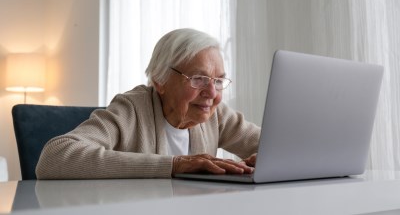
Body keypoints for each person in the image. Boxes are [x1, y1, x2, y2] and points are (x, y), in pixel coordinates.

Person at [36, 28, 261, 179]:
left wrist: (265, 160)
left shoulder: (216, 115)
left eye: (218, 80)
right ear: (159, 80)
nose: (211, 92)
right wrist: (174, 165)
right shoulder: (131, 109)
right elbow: (53, 157)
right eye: (198, 78)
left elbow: (275, 146)